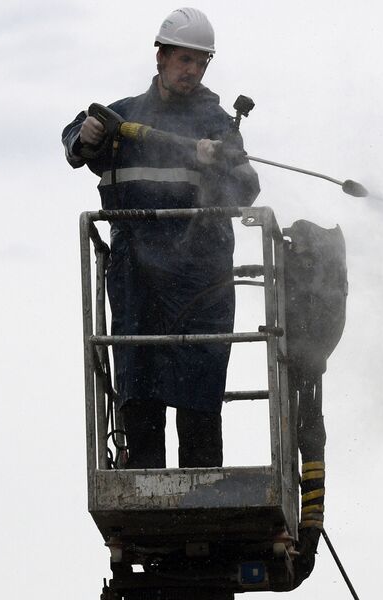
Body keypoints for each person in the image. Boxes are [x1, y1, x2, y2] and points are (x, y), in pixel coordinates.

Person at [62, 7, 260, 468]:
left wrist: (222, 163)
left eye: (200, 62)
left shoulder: (218, 128)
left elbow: (247, 188)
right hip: (137, 280)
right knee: (139, 388)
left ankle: (202, 493)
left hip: (201, 278)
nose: (191, 71)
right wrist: (85, 133)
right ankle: (145, 485)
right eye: (183, 60)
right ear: (161, 56)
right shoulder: (121, 120)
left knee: (199, 395)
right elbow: (75, 143)